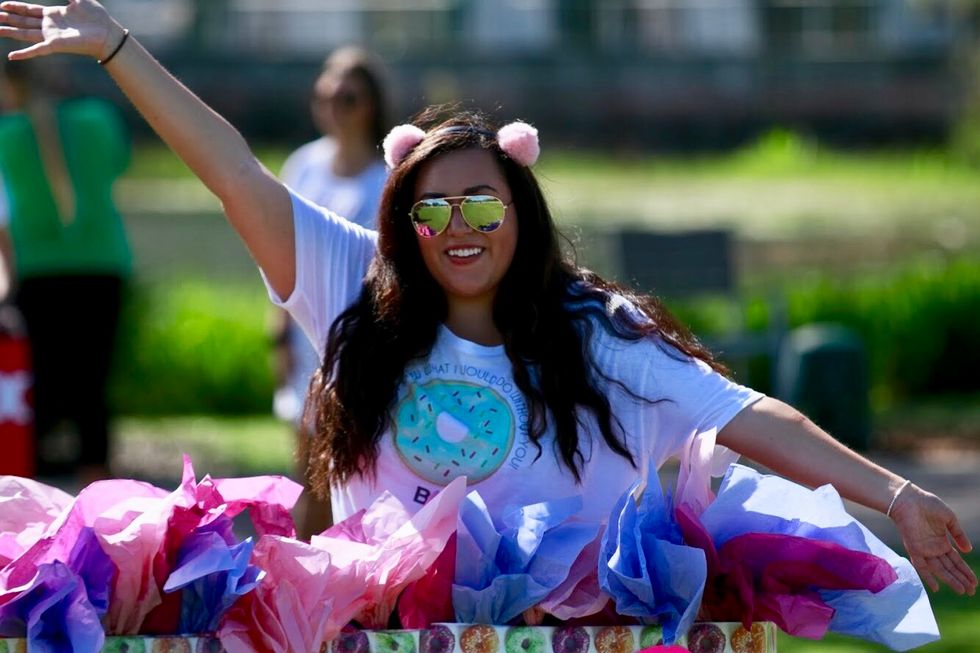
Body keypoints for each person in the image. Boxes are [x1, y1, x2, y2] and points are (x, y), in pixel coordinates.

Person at [1, 0, 974, 599]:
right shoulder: (353, 289)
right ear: (400, 223)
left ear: (522, 209)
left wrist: (890, 491)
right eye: (430, 207)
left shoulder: (595, 330)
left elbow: (748, 416)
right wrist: (119, 49)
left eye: (479, 200)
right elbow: (233, 174)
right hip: (380, 631)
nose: (456, 225)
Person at [272, 45, 389, 539]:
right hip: (308, 337)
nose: (334, 108)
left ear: (372, 104)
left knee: (359, 468)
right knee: (311, 466)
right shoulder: (304, 166)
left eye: (348, 97)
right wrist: (275, 332)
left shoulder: (388, 176)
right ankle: (309, 564)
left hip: (368, 338)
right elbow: (277, 250)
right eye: (325, 97)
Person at [0, 53, 131, 485]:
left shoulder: (8, 134)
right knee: (93, 388)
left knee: (41, 388)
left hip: (37, 272)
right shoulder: (98, 118)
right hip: (102, 267)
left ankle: (30, 498)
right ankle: (99, 497)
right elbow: (116, 166)